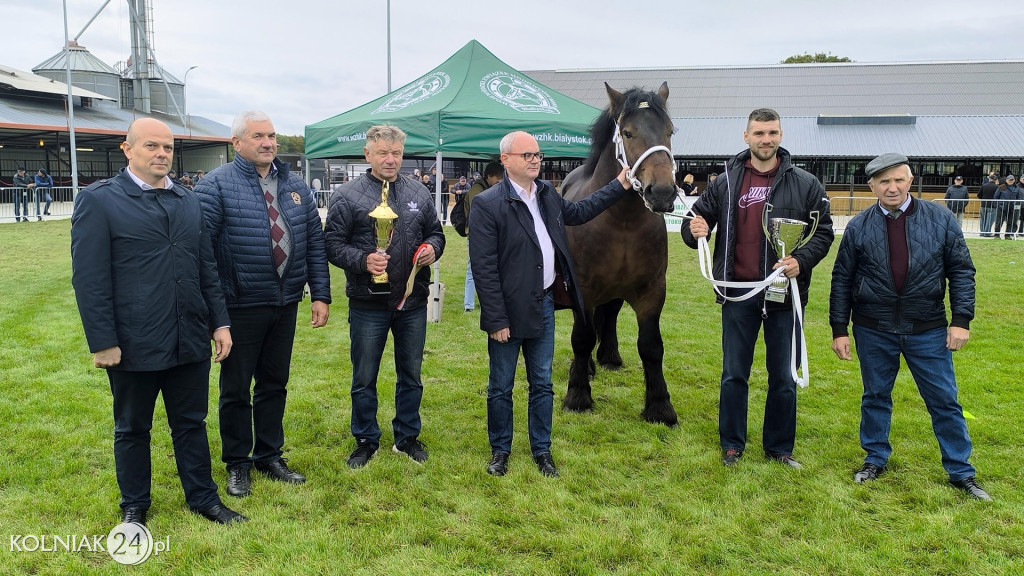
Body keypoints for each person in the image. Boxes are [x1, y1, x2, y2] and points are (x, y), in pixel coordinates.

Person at [71, 118, 247, 525]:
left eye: (167, 147)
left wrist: (219, 323)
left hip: (188, 336)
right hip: (134, 341)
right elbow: (90, 278)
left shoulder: (187, 200)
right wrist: (102, 341)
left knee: (191, 423)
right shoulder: (99, 201)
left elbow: (205, 266)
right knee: (132, 427)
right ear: (127, 149)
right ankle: (135, 506)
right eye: (151, 146)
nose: (161, 154)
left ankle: (204, 498)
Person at [469, 131, 632, 478]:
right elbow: (483, 268)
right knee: (502, 385)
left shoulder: (547, 195)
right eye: (526, 154)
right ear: (506, 160)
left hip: (543, 304)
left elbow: (582, 210)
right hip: (508, 311)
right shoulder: (488, 205)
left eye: (538, 155)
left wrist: (619, 184)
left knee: (542, 383)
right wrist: (496, 319)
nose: (534, 160)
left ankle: (542, 450)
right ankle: (501, 450)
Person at [829, 153, 991, 501]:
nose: (892, 187)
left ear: (911, 180)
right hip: (873, 329)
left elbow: (962, 271)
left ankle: (961, 471)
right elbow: (842, 279)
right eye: (884, 182)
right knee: (875, 396)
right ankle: (875, 458)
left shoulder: (940, 218)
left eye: (899, 180)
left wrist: (961, 320)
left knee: (944, 400)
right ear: (872, 185)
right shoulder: (858, 226)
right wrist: (839, 328)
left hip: (928, 328)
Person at [680, 108, 834, 469]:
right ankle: (732, 445)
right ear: (746, 137)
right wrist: (695, 231)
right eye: (760, 133)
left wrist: (802, 259)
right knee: (734, 373)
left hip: (783, 295)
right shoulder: (727, 182)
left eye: (773, 133)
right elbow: (695, 222)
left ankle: (779, 448)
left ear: (781, 136)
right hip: (737, 294)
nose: (766, 140)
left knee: (783, 376)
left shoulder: (805, 183)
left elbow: (824, 232)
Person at [195, 110, 332, 498]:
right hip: (240, 305)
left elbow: (313, 244)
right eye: (258, 136)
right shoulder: (216, 186)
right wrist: (216, 314)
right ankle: (237, 462)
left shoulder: (295, 185)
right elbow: (203, 254)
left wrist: (319, 293)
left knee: (274, 384)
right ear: (237, 142)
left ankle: (269, 454)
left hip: (284, 302)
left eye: (271, 135)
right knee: (236, 389)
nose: (268, 142)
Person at [324, 124, 445, 469]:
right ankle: (365, 439)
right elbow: (331, 244)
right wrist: (363, 261)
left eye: (396, 153)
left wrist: (431, 250)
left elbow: (436, 233)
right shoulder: (347, 195)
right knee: (364, 376)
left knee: (411, 372)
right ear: (368, 154)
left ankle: (406, 437)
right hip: (367, 302)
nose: (391, 159)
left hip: (411, 301)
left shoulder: (419, 193)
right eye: (383, 153)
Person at [462, 161, 504, 312]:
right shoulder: (476, 191)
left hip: (492, 235)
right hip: (477, 237)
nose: (500, 183)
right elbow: (478, 216)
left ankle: (486, 301)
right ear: (489, 177)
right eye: (497, 180)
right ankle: (468, 305)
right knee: (473, 270)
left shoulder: (489, 189)